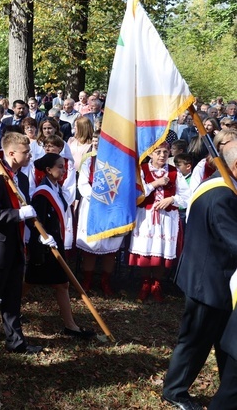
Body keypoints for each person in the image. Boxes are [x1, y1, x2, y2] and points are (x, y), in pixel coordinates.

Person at [162, 141, 237, 410]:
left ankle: (229, 390)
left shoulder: (222, 183)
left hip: (213, 277)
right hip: (209, 280)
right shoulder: (223, 195)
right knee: (196, 339)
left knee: (222, 337)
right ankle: (175, 390)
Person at [0, 132, 43, 354]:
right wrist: (18, 214)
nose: (30, 156)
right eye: (26, 152)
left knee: (13, 295)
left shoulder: (19, 177)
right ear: (11, 153)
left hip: (15, 246)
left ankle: (16, 341)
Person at [25, 153, 94, 339]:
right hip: (45, 248)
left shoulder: (56, 188)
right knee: (32, 282)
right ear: (48, 170)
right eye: (60, 167)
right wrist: (43, 239)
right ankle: (8, 309)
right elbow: (36, 221)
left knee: (60, 284)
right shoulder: (42, 193)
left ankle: (70, 326)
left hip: (56, 243)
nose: (63, 171)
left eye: (64, 167)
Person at [129, 142, 190, 302]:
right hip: (146, 215)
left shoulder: (174, 172)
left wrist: (172, 199)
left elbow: (187, 196)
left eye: (165, 152)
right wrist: (155, 184)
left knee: (161, 250)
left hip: (167, 218)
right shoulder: (142, 169)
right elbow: (136, 193)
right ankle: (145, 283)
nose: (162, 155)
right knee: (146, 250)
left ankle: (156, 284)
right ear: (150, 154)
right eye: (158, 152)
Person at [75, 133, 124, 296]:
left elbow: (125, 185)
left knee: (110, 246)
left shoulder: (120, 163)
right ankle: (87, 280)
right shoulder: (90, 161)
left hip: (113, 209)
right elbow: (82, 184)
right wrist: (98, 199)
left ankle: (105, 281)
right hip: (92, 208)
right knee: (91, 246)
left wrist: (110, 199)